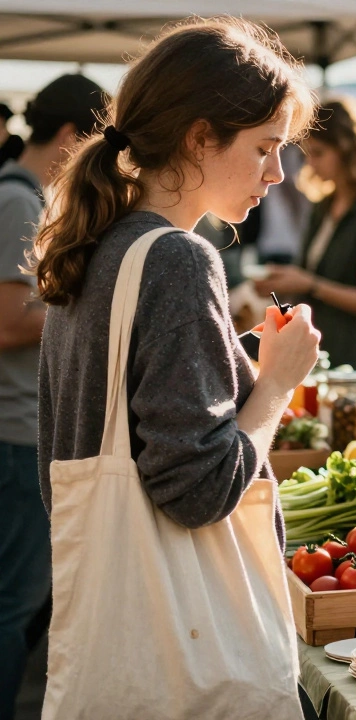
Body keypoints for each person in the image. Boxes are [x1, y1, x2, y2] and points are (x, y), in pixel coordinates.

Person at [31, 17, 319, 715]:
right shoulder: (178, 259)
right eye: (263, 149)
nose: (277, 174)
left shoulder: (99, 243)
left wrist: (230, 358)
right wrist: (277, 382)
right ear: (199, 137)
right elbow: (197, 490)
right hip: (180, 654)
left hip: (111, 623)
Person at [0, 72, 106, 720]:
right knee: (15, 606)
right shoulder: (18, 200)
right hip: (14, 431)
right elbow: (10, 322)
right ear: (70, 136)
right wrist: (85, 306)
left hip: (20, 428)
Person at [255, 96, 356, 421]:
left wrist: (310, 284)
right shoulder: (324, 204)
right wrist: (285, 283)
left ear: (348, 148)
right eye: (308, 154)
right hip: (322, 363)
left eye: (318, 153)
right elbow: (308, 277)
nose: (310, 164)